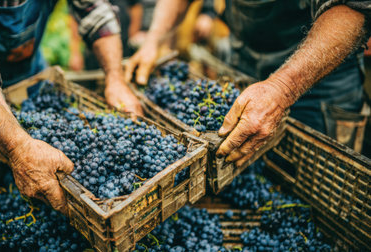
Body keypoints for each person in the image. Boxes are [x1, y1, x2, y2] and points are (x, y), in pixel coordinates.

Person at [0, 0, 143, 214]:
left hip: (27, 71)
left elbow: (94, 9)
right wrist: (18, 148)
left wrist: (115, 78)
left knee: (44, 162)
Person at [125, 0, 370, 167]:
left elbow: (351, 7)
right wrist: (153, 41)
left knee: (315, 189)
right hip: (245, 59)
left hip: (321, 73)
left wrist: (282, 88)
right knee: (242, 161)